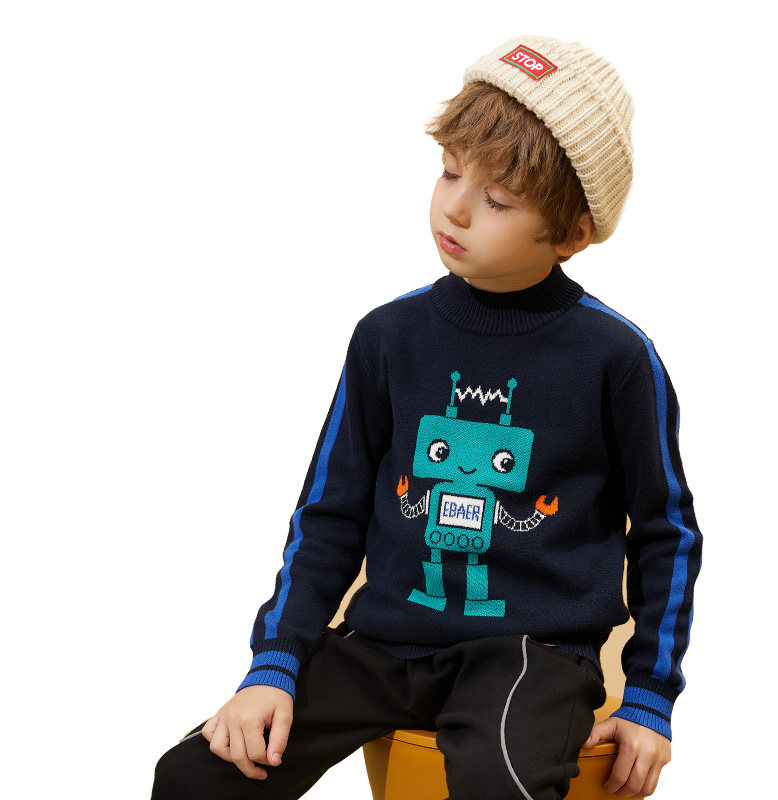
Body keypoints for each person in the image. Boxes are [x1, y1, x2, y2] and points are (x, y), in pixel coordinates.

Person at [151, 34, 702, 800]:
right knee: (194, 777)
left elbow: (667, 534)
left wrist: (649, 696)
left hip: (530, 655)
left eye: (498, 200)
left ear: (575, 232)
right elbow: (329, 514)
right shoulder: (387, 337)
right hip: (379, 643)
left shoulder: (616, 356)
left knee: (496, 786)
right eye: (449, 171)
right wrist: (273, 664)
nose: (456, 207)